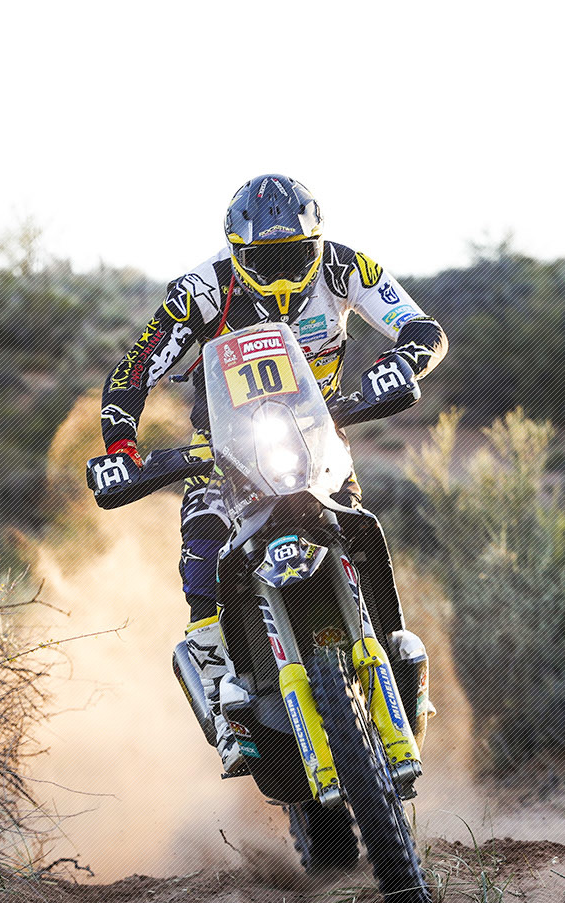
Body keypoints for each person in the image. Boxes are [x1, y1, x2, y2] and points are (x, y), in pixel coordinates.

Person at [97, 174, 449, 770]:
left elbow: (423, 329)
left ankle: (393, 657)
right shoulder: (201, 290)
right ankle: (224, 703)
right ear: (238, 254)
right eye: (267, 260)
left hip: (318, 438)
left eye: (295, 255)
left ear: (317, 243)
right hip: (223, 454)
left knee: (357, 530)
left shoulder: (346, 267)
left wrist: (400, 365)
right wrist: (121, 451)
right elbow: (133, 371)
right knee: (203, 562)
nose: (284, 272)